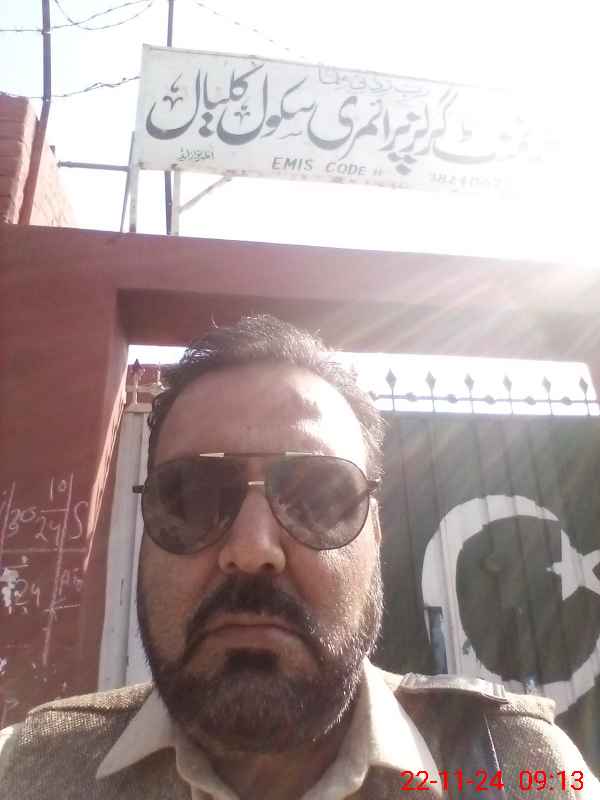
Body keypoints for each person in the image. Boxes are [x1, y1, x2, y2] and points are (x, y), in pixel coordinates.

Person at [1, 315, 598, 800]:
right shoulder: (24, 771)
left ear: (376, 535)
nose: (251, 551)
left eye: (319, 497)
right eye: (192, 496)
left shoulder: (522, 769)